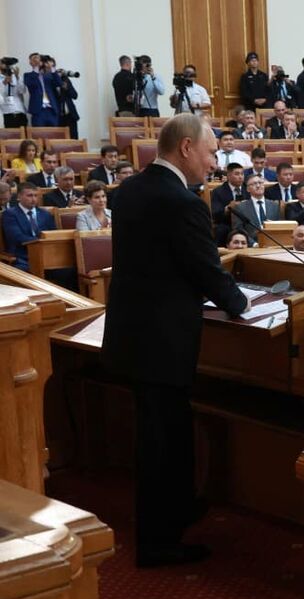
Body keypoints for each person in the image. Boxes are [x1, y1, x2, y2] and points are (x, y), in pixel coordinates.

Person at [101, 114, 249, 567]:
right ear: (185, 148)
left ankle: (175, 513)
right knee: (164, 441)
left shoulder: (130, 190)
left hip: (132, 335)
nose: (214, 162)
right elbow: (204, 269)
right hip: (163, 343)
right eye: (210, 153)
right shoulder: (182, 202)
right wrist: (240, 303)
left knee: (158, 436)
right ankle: (160, 541)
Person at [1, 182, 56, 270]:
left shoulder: (45, 214)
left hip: (46, 254)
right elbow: (16, 237)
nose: (33, 199)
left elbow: (53, 234)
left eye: (35, 195)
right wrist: (40, 241)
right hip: (22, 256)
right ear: (19, 197)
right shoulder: (10, 214)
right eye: (30, 196)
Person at [231, 174, 280, 241]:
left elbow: (279, 227)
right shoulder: (240, 207)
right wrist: (253, 244)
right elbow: (239, 230)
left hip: (273, 243)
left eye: (260, 183)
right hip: (252, 245)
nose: (258, 186)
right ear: (248, 189)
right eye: (254, 184)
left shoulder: (274, 205)